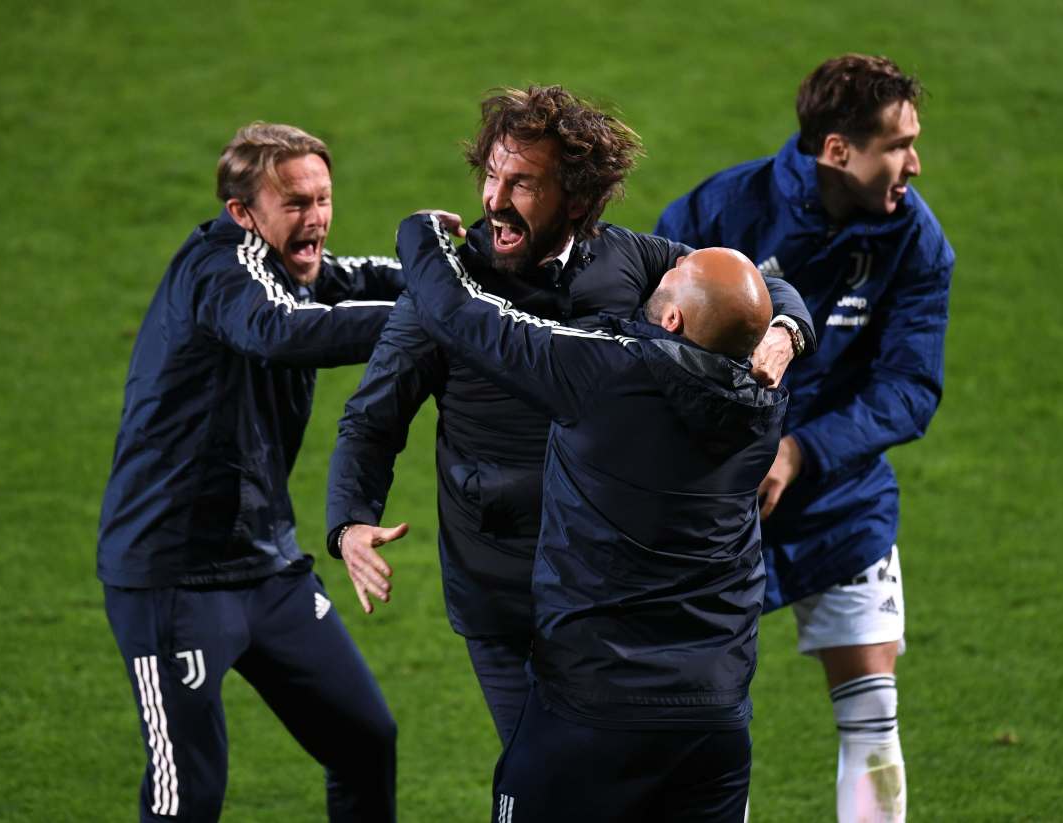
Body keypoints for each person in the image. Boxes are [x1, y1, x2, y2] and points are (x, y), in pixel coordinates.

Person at [325, 85, 816, 746]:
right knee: (540, 775)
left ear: (578, 200)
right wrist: (350, 521)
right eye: (491, 176)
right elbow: (372, 418)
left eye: (523, 183)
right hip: (507, 595)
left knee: (622, 777)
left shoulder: (627, 259)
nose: (494, 200)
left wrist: (786, 328)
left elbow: (744, 283)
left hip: (610, 594)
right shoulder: (442, 290)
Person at [397, 210, 796, 822]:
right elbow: (762, 299)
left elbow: (465, 317)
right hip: (714, 717)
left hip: (594, 708)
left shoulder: (606, 374)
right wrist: (790, 328)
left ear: (672, 319)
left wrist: (419, 234)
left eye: (676, 274)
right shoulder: (763, 403)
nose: (669, 266)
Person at [656, 54, 955, 822]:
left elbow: (909, 388)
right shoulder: (722, 211)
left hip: (840, 499)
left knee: (872, 717)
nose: (914, 165)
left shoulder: (917, 243)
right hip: (720, 506)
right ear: (837, 151)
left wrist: (800, 450)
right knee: (706, 726)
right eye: (898, 146)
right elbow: (649, 336)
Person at [97, 122, 413, 822]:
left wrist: (461, 271)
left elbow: (357, 279)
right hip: (172, 578)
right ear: (242, 212)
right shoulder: (219, 270)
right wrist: (425, 323)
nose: (317, 217)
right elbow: (279, 331)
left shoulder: (290, 266)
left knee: (365, 741)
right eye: (296, 202)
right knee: (188, 796)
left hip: (266, 569)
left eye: (323, 198)